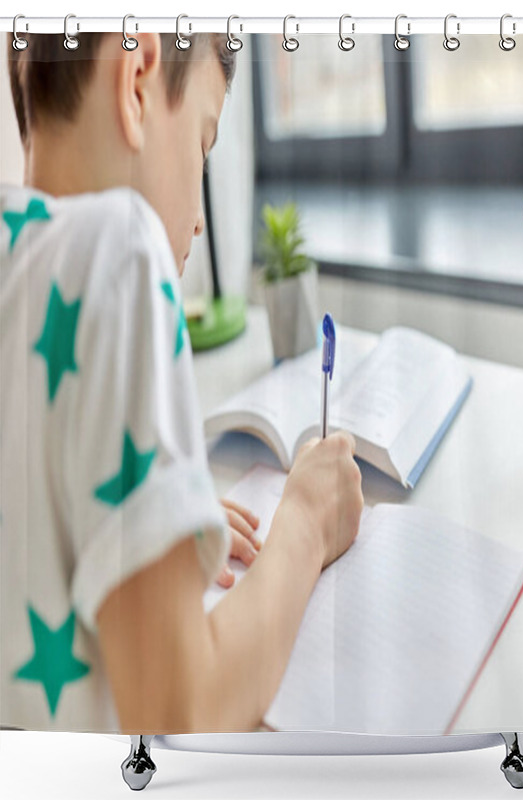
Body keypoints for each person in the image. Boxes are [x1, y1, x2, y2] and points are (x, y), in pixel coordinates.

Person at [0, 31, 363, 735]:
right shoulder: (119, 251)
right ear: (136, 79)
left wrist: (159, 524)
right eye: (202, 147)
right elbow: (180, 712)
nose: (199, 218)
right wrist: (306, 527)